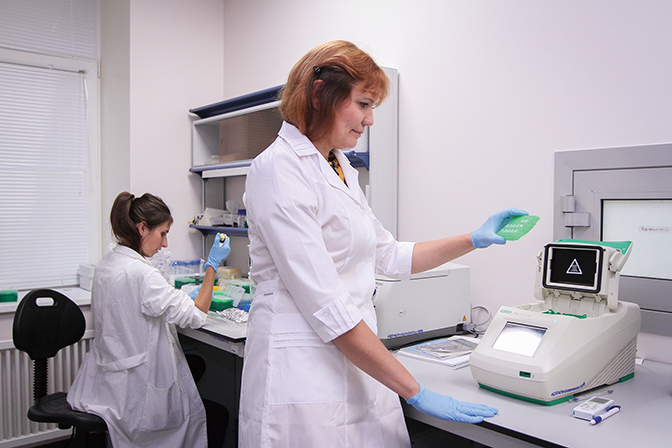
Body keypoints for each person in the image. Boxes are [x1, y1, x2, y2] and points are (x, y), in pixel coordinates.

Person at [240, 40, 527, 448]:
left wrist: (472, 239)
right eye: (363, 104)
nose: (370, 119)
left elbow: (388, 255)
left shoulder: (338, 166)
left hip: (355, 356)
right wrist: (415, 390)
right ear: (320, 95)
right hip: (302, 366)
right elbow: (327, 305)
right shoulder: (278, 170)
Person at [67, 192, 231, 448]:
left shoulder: (107, 264)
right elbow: (196, 315)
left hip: (111, 384)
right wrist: (212, 265)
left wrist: (178, 296)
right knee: (213, 415)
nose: (164, 244)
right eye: (163, 233)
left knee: (196, 368)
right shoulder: (142, 274)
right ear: (142, 228)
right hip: (137, 395)